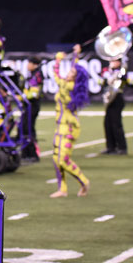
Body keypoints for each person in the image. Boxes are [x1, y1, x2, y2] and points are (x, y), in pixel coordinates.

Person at [50, 45, 90, 198]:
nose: (69, 72)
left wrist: (58, 60)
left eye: (72, 72)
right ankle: (63, 189)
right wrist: (76, 54)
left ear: (76, 78)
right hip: (60, 126)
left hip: (70, 127)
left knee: (63, 159)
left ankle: (84, 181)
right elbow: (75, 67)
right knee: (56, 159)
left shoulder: (68, 86)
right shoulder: (70, 83)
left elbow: (55, 74)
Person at [99, 56, 131, 155]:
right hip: (109, 98)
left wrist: (121, 76)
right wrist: (106, 78)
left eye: (114, 61)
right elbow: (102, 82)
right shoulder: (107, 71)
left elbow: (129, 82)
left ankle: (122, 147)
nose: (112, 62)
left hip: (117, 98)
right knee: (107, 124)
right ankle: (110, 147)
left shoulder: (122, 72)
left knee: (116, 124)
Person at [21, 56, 43, 161]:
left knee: (28, 129)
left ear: (34, 65)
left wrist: (22, 96)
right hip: (29, 105)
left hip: (32, 105)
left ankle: (33, 154)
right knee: (24, 127)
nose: (27, 65)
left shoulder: (36, 75)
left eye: (29, 63)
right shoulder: (33, 74)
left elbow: (34, 94)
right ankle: (26, 153)